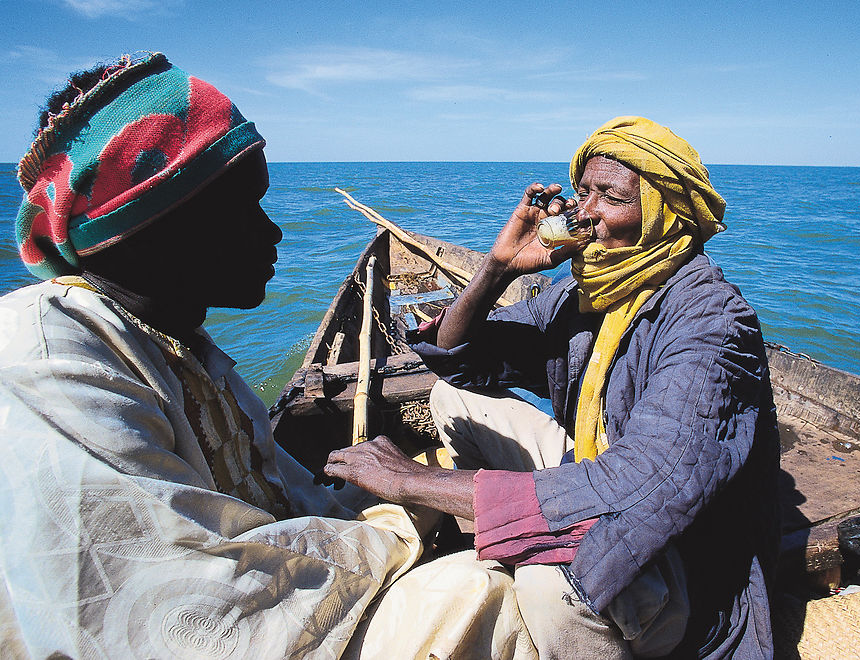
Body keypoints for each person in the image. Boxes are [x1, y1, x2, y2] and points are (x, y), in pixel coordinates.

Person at [0, 53, 536, 659]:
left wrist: (417, 493)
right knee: (485, 598)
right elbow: (176, 612)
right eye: (243, 207)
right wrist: (397, 528)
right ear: (159, 224)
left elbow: (291, 504)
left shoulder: (187, 351)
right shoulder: (43, 350)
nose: (273, 231)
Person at [325, 117, 782, 658]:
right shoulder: (586, 291)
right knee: (454, 398)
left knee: (551, 582)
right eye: (582, 192)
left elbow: (640, 485)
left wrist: (413, 483)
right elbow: (461, 360)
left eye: (609, 197)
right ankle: (511, 538)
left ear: (661, 213)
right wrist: (497, 269)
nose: (582, 212)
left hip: (682, 558)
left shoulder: (710, 321)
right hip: (602, 479)